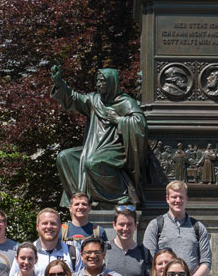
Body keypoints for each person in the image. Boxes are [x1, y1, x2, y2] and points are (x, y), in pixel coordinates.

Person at [51, 65, 148, 206]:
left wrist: (119, 120)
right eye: (97, 81)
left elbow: (139, 124)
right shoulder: (95, 100)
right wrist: (59, 83)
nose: (98, 84)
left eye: (102, 81)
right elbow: (74, 98)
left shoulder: (126, 102)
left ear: (111, 83)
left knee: (93, 162)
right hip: (94, 147)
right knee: (64, 157)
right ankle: (80, 200)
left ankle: (119, 195)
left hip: (116, 149)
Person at [143, 181, 212, 276]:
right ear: (167, 199)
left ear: (186, 198)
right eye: (174, 197)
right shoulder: (155, 225)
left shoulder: (198, 227)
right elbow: (149, 260)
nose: (178, 200)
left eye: (181, 197)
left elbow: (206, 262)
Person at [105, 206, 151, 276]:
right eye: (121, 224)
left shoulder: (144, 253)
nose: (125, 229)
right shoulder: (105, 250)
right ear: (114, 225)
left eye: (129, 224)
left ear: (135, 226)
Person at [62, 192, 108, 268]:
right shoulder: (62, 231)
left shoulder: (98, 231)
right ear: (70, 208)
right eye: (77, 204)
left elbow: (105, 257)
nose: (80, 207)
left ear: (89, 208)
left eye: (84, 204)